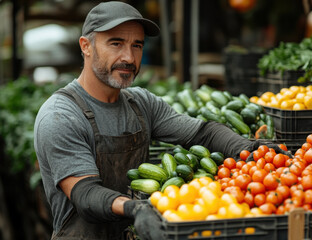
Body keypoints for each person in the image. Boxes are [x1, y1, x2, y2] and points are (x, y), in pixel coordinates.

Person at [34, 1, 290, 239]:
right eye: (116, 43)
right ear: (85, 46)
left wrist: (247, 148)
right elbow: (85, 194)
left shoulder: (140, 104)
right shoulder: (61, 115)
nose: (129, 57)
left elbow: (203, 133)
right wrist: (137, 208)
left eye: (137, 45)